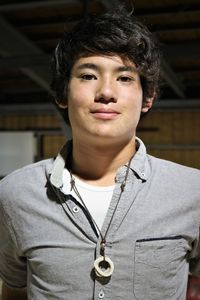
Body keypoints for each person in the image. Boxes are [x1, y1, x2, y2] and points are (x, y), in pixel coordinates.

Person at [0, 5, 200, 300]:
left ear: (148, 98)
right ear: (62, 94)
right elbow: (14, 290)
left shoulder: (191, 191)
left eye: (124, 78)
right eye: (88, 75)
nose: (106, 92)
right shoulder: (16, 193)